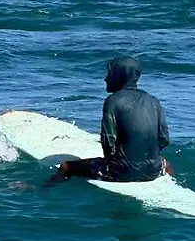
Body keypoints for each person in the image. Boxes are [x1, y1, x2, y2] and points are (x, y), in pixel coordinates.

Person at [48, 56, 172, 184]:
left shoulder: (113, 101)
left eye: (110, 74)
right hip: (154, 170)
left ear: (120, 76)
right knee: (166, 165)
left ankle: (43, 189)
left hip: (121, 172)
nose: (106, 78)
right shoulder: (154, 101)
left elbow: (108, 145)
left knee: (66, 167)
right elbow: (164, 139)